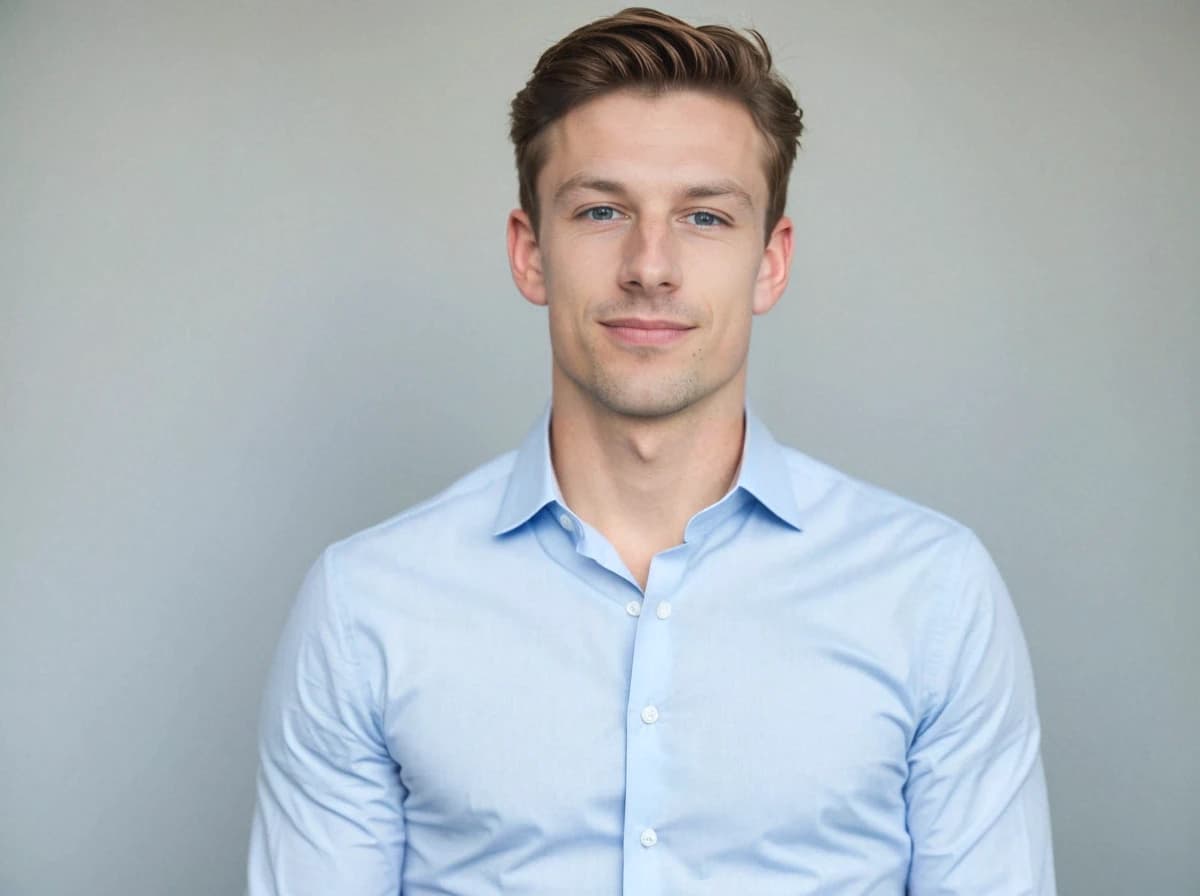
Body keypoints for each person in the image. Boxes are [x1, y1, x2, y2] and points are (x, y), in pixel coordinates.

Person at [246, 8, 1056, 894]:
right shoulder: (365, 607)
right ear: (530, 253)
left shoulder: (932, 594)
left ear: (770, 263)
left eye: (705, 217)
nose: (650, 265)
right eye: (601, 210)